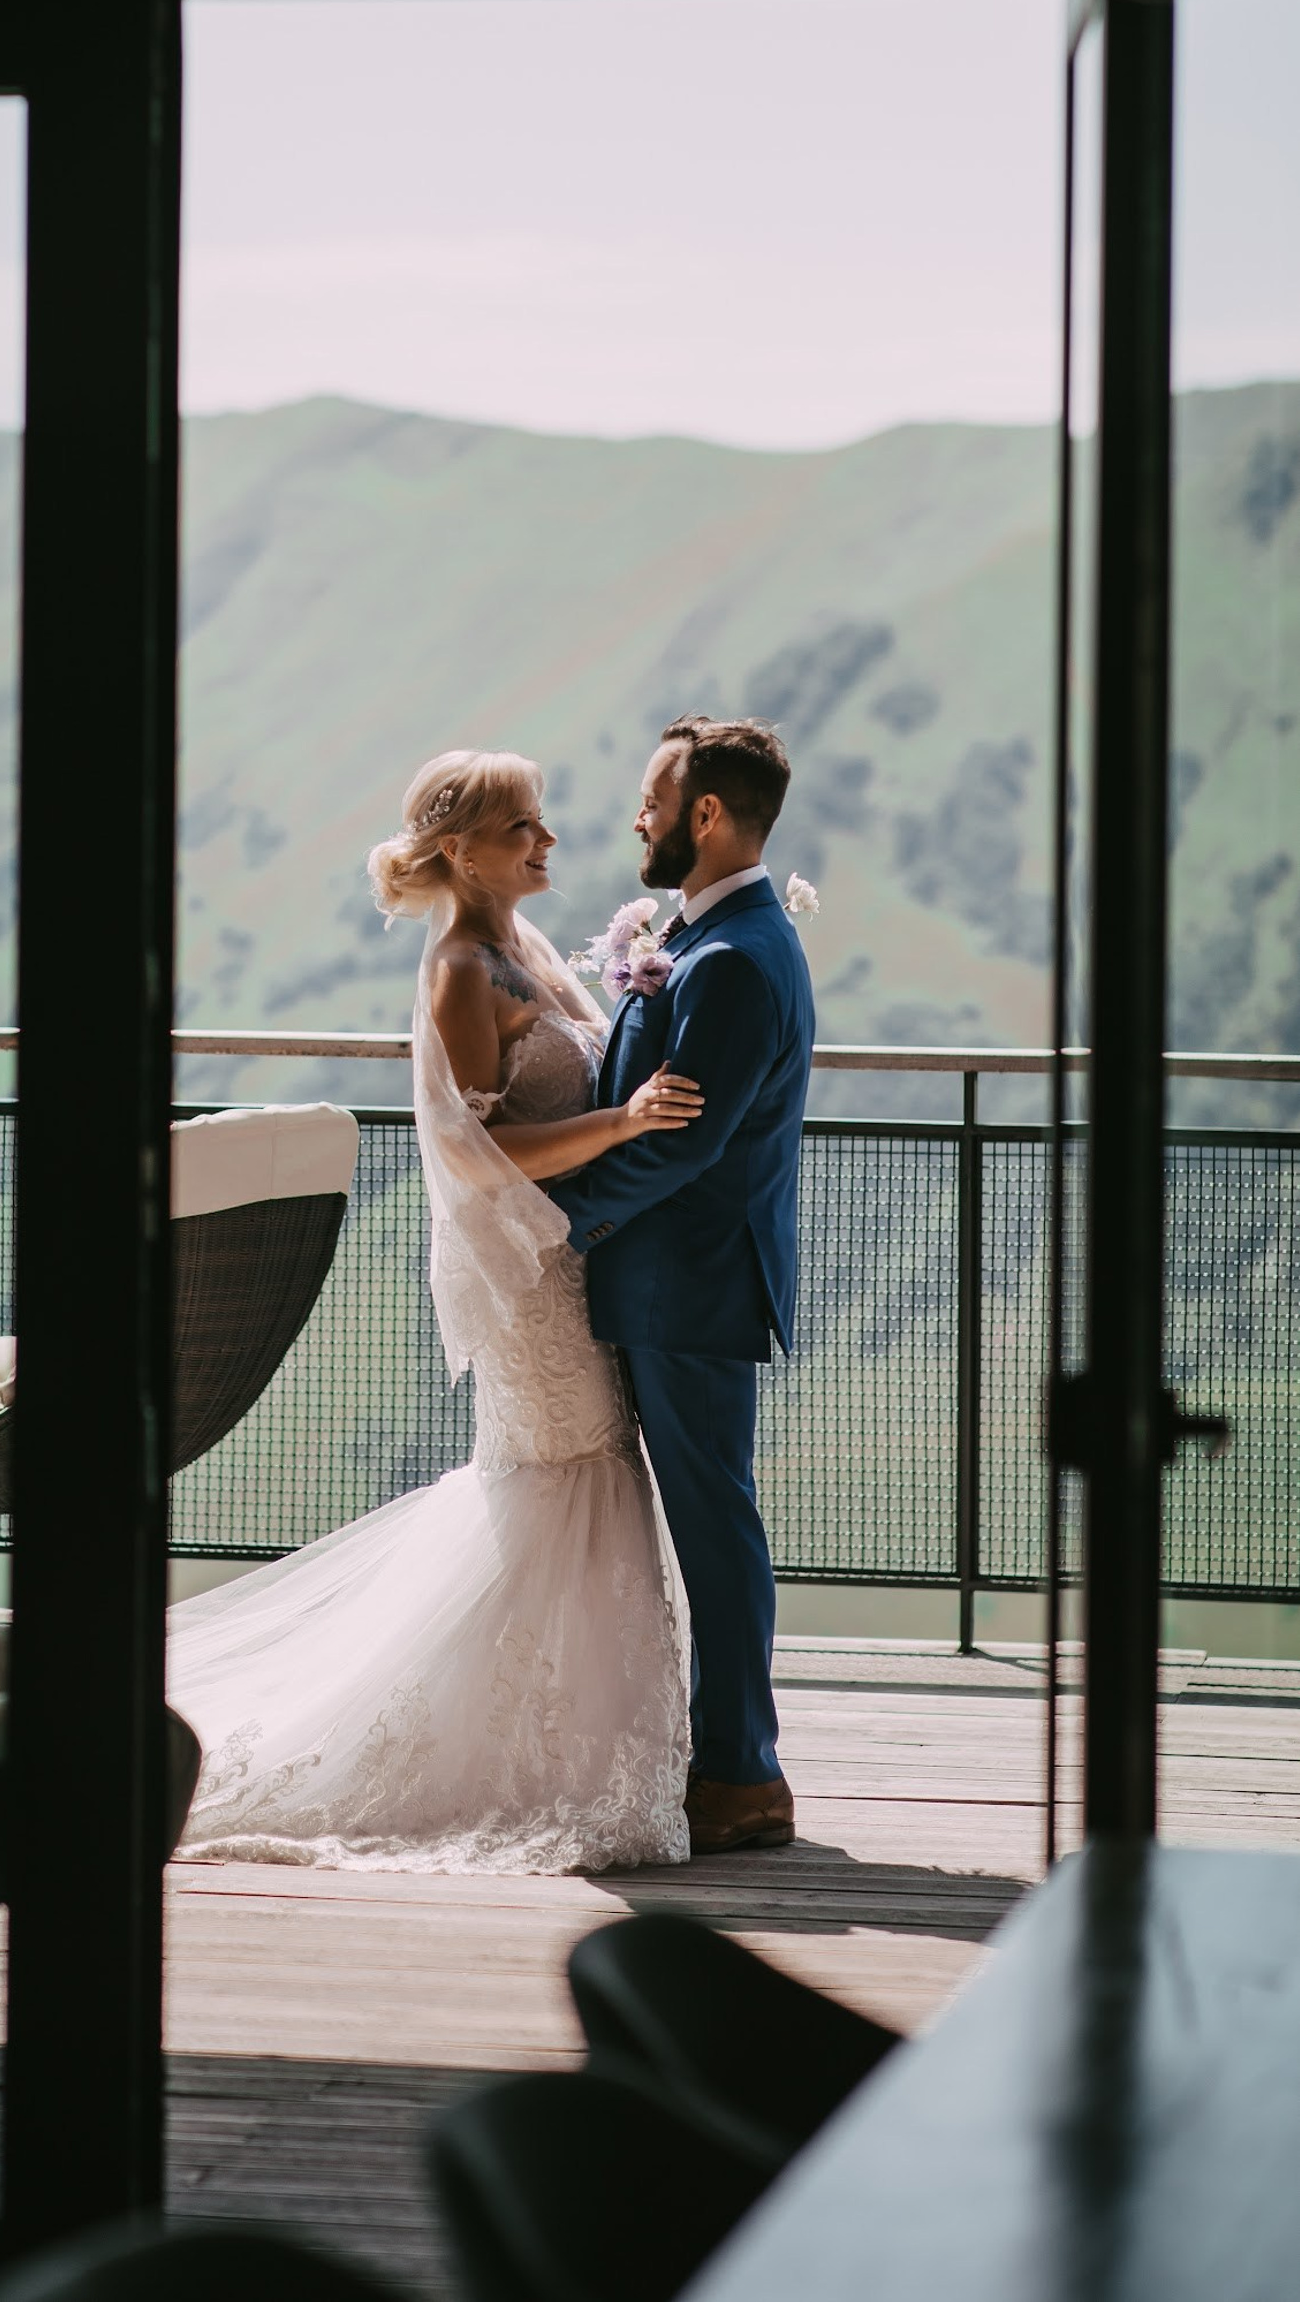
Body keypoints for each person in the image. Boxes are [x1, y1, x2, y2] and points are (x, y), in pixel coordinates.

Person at [168, 748, 701, 1872]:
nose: (549, 844)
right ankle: (525, 1755)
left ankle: (572, 1742)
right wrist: (625, 1125)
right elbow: (480, 1152)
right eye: (526, 829)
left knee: (586, 1478)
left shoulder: (530, 948)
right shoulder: (465, 968)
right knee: (568, 1475)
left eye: (544, 826)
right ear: (462, 850)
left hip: (568, 1257)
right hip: (527, 1281)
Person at [547, 717, 816, 1857]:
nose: (639, 819)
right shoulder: (718, 940)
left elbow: (685, 1145)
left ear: (708, 814)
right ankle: (728, 1767)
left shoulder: (738, 960)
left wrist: (563, 1221)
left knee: (715, 1530)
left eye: (654, 800)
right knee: (715, 1523)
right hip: (675, 1280)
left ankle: (743, 1777)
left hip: (689, 1285)